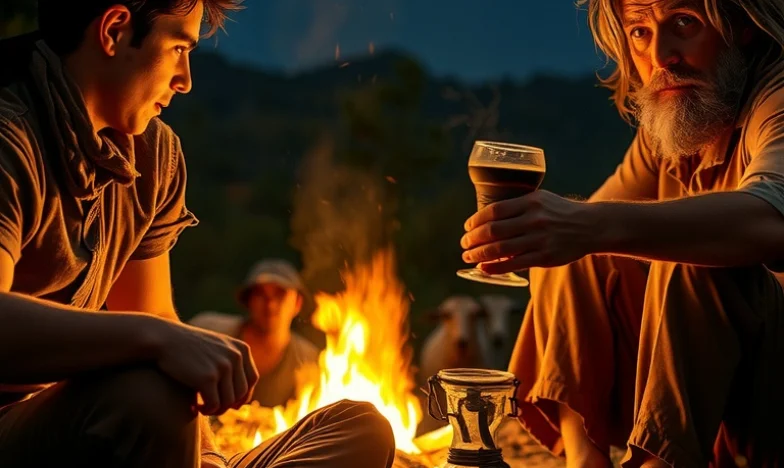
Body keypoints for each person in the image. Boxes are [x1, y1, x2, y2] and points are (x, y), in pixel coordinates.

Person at [0, 1, 394, 467]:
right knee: (147, 393)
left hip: (99, 428)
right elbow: (152, 334)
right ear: (114, 31)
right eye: (178, 48)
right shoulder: (11, 135)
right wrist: (154, 338)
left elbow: (153, 313)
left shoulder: (152, 154)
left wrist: (206, 453)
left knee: (359, 427)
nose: (185, 79)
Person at [460, 0, 784, 467]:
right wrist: (562, 230)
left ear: (740, 23)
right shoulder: (684, 119)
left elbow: (772, 218)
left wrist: (585, 225)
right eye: (639, 32)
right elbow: (584, 231)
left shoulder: (775, 99)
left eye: (684, 23)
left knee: (691, 260)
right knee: (574, 248)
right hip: (720, 404)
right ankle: (584, 459)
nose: (661, 55)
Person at [190, 259, 320, 408]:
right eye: (260, 294)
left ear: (297, 303)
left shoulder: (310, 362)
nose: (270, 304)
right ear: (249, 300)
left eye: (280, 294)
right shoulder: (207, 333)